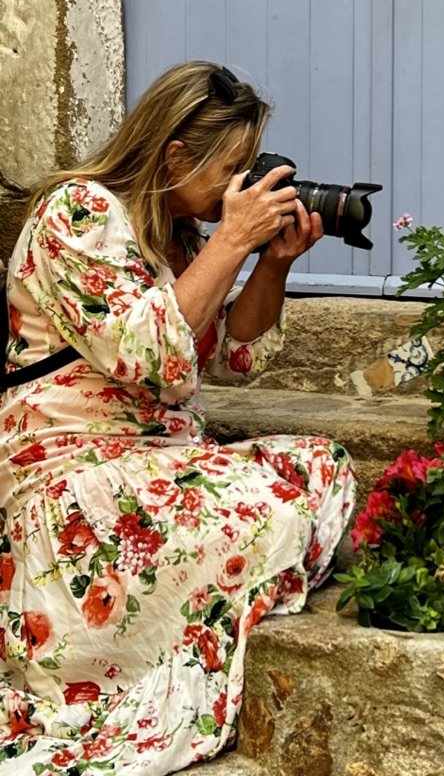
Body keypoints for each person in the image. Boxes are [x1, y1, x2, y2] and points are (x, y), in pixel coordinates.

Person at [0, 61, 357, 774]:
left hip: (161, 460)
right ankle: (137, 672)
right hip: (75, 471)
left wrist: (272, 263)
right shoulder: (78, 213)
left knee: (322, 467)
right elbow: (151, 356)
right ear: (174, 155)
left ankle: (189, 626)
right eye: (230, 168)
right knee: (273, 515)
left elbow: (234, 356)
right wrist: (231, 240)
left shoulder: (183, 235)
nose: (239, 186)